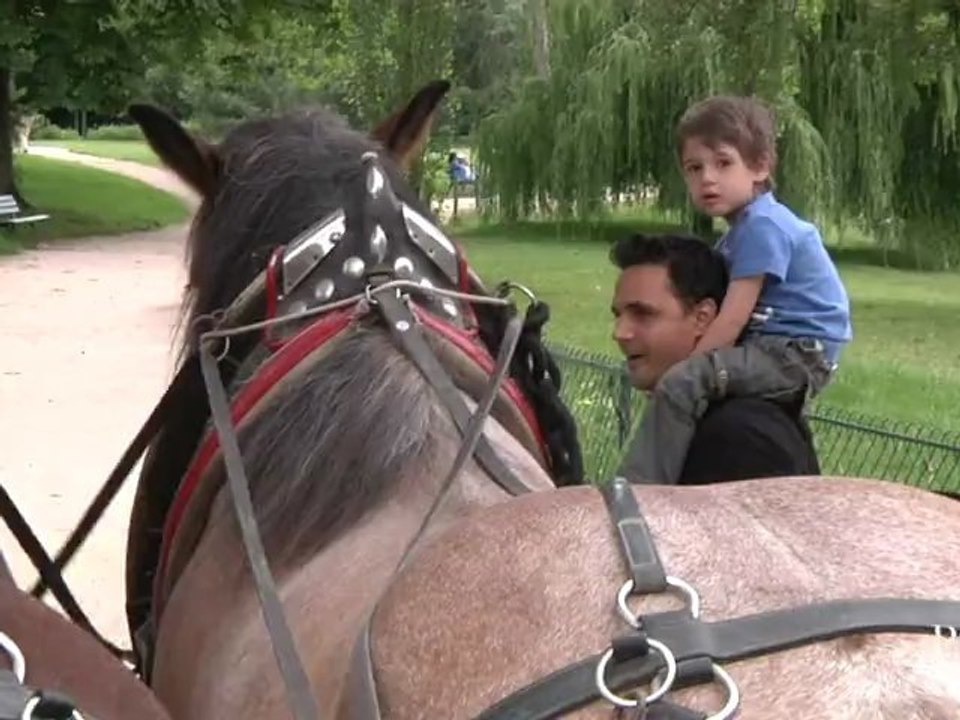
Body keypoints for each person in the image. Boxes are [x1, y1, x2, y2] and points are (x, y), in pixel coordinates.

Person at [619, 95, 852, 484]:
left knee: (684, 383)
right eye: (694, 168)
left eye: (723, 163)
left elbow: (731, 318)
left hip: (793, 353)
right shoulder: (740, 234)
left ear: (760, 167)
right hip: (778, 347)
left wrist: (684, 369)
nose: (707, 178)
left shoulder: (764, 227)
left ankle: (636, 494)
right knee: (690, 383)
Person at [611, 233, 822, 483]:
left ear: (702, 317)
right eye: (618, 315)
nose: (619, 333)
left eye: (643, 314)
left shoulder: (741, 437)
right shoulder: (699, 416)